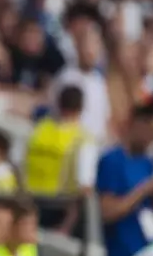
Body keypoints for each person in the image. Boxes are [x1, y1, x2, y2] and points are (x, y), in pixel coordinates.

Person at [96, 104, 153, 256]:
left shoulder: (147, 163)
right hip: (122, 254)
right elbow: (107, 212)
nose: (152, 138)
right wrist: (146, 188)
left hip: (148, 246)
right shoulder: (112, 160)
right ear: (136, 124)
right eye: (150, 131)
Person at [24, 85, 98, 235]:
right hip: (58, 211)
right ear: (81, 108)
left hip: (28, 206)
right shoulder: (83, 139)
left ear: (58, 104)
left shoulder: (39, 129)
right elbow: (84, 189)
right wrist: (67, 227)